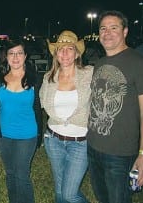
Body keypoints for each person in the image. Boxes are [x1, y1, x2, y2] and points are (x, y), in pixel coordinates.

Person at [87, 10, 143, 203]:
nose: (107, 32)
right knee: (102, 198)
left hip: (120, 154)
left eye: (113, 27)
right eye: (103, 28)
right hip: (93, 147)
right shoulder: (100, 63)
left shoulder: (140, 63)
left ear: (125, 32)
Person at [39, 30, 93, 203]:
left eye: (69, 48)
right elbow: (42, 102)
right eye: (60, 49)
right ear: (55, 54)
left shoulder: (90, 74)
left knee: (70, 194)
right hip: (53, 140)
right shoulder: (49, 78)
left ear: (77, 53)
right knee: (60, 191)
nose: (65, 53)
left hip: (80, 142)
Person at [0, 40, 42, 203]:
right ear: (6, 56)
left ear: (25, 56)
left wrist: (40, 135)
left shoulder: (35, 80)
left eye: (19, 53)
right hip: (4, 136)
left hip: (27, 135)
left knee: (22, 174)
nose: (15, 57)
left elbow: (38, 109)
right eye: (11, 53)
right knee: (10, 173)